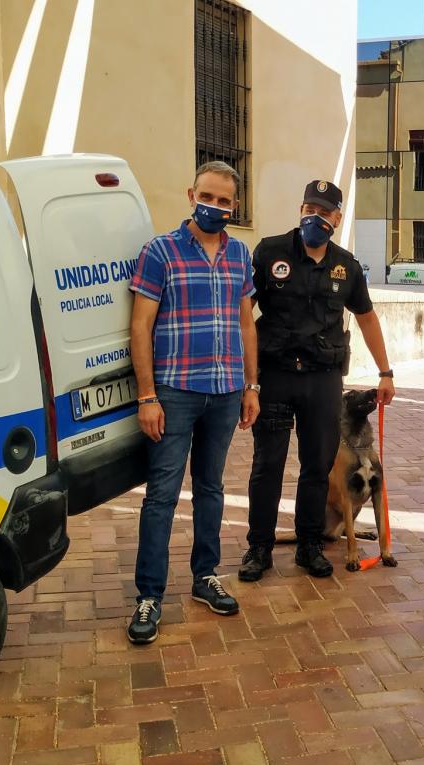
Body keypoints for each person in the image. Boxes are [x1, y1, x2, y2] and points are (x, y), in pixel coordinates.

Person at [126, 161, 259, 645]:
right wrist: (147, 395)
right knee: (162, 496)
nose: (215, 207)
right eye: (208, 197)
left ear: (235, 205)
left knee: (211, 489)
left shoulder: (240, 254)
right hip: (175, 392)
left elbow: (246, 323)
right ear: (190, 194)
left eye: (225, 201)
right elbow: (140, 325)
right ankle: (149, 595)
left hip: (225, 393)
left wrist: (251, 386)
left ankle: (205, 576)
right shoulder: (160, 251)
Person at [239, 180, 395, 581]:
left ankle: (310, 545)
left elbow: (366, 318)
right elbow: (243, 313)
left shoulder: (347, 265)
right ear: (300, 208)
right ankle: (259, 548)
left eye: (325, 212)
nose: (315, 217)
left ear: (337, 218)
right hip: (274, 377)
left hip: (323, 380)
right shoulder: (270, 252)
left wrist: (385, 371)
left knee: (317, 466)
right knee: (267, 464)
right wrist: (247, 378)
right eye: (310, 207)